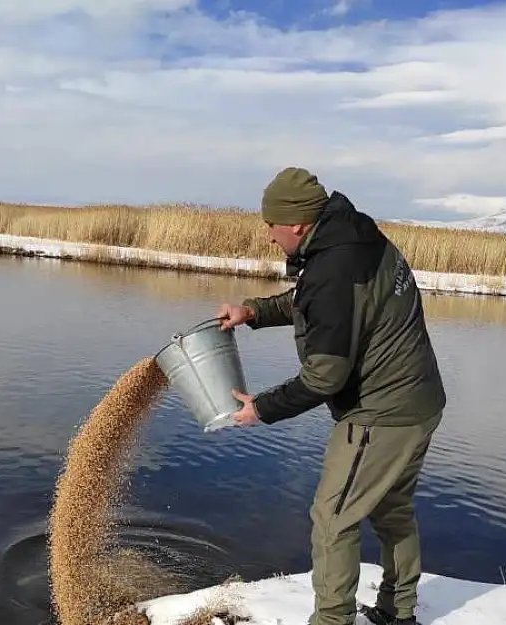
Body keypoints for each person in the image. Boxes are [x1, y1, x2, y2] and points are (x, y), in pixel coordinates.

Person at [215, 167, 447, 625]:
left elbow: (324, 378)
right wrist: (252, 312)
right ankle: (398, 612)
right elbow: (311, 299)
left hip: (382, 413)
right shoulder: (351, 240)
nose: (267, 237)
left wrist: (259, 408)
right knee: (391, 508)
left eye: (271, 226)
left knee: (333, 518)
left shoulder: (335, 267)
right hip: (420, 400)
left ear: (297, 223)